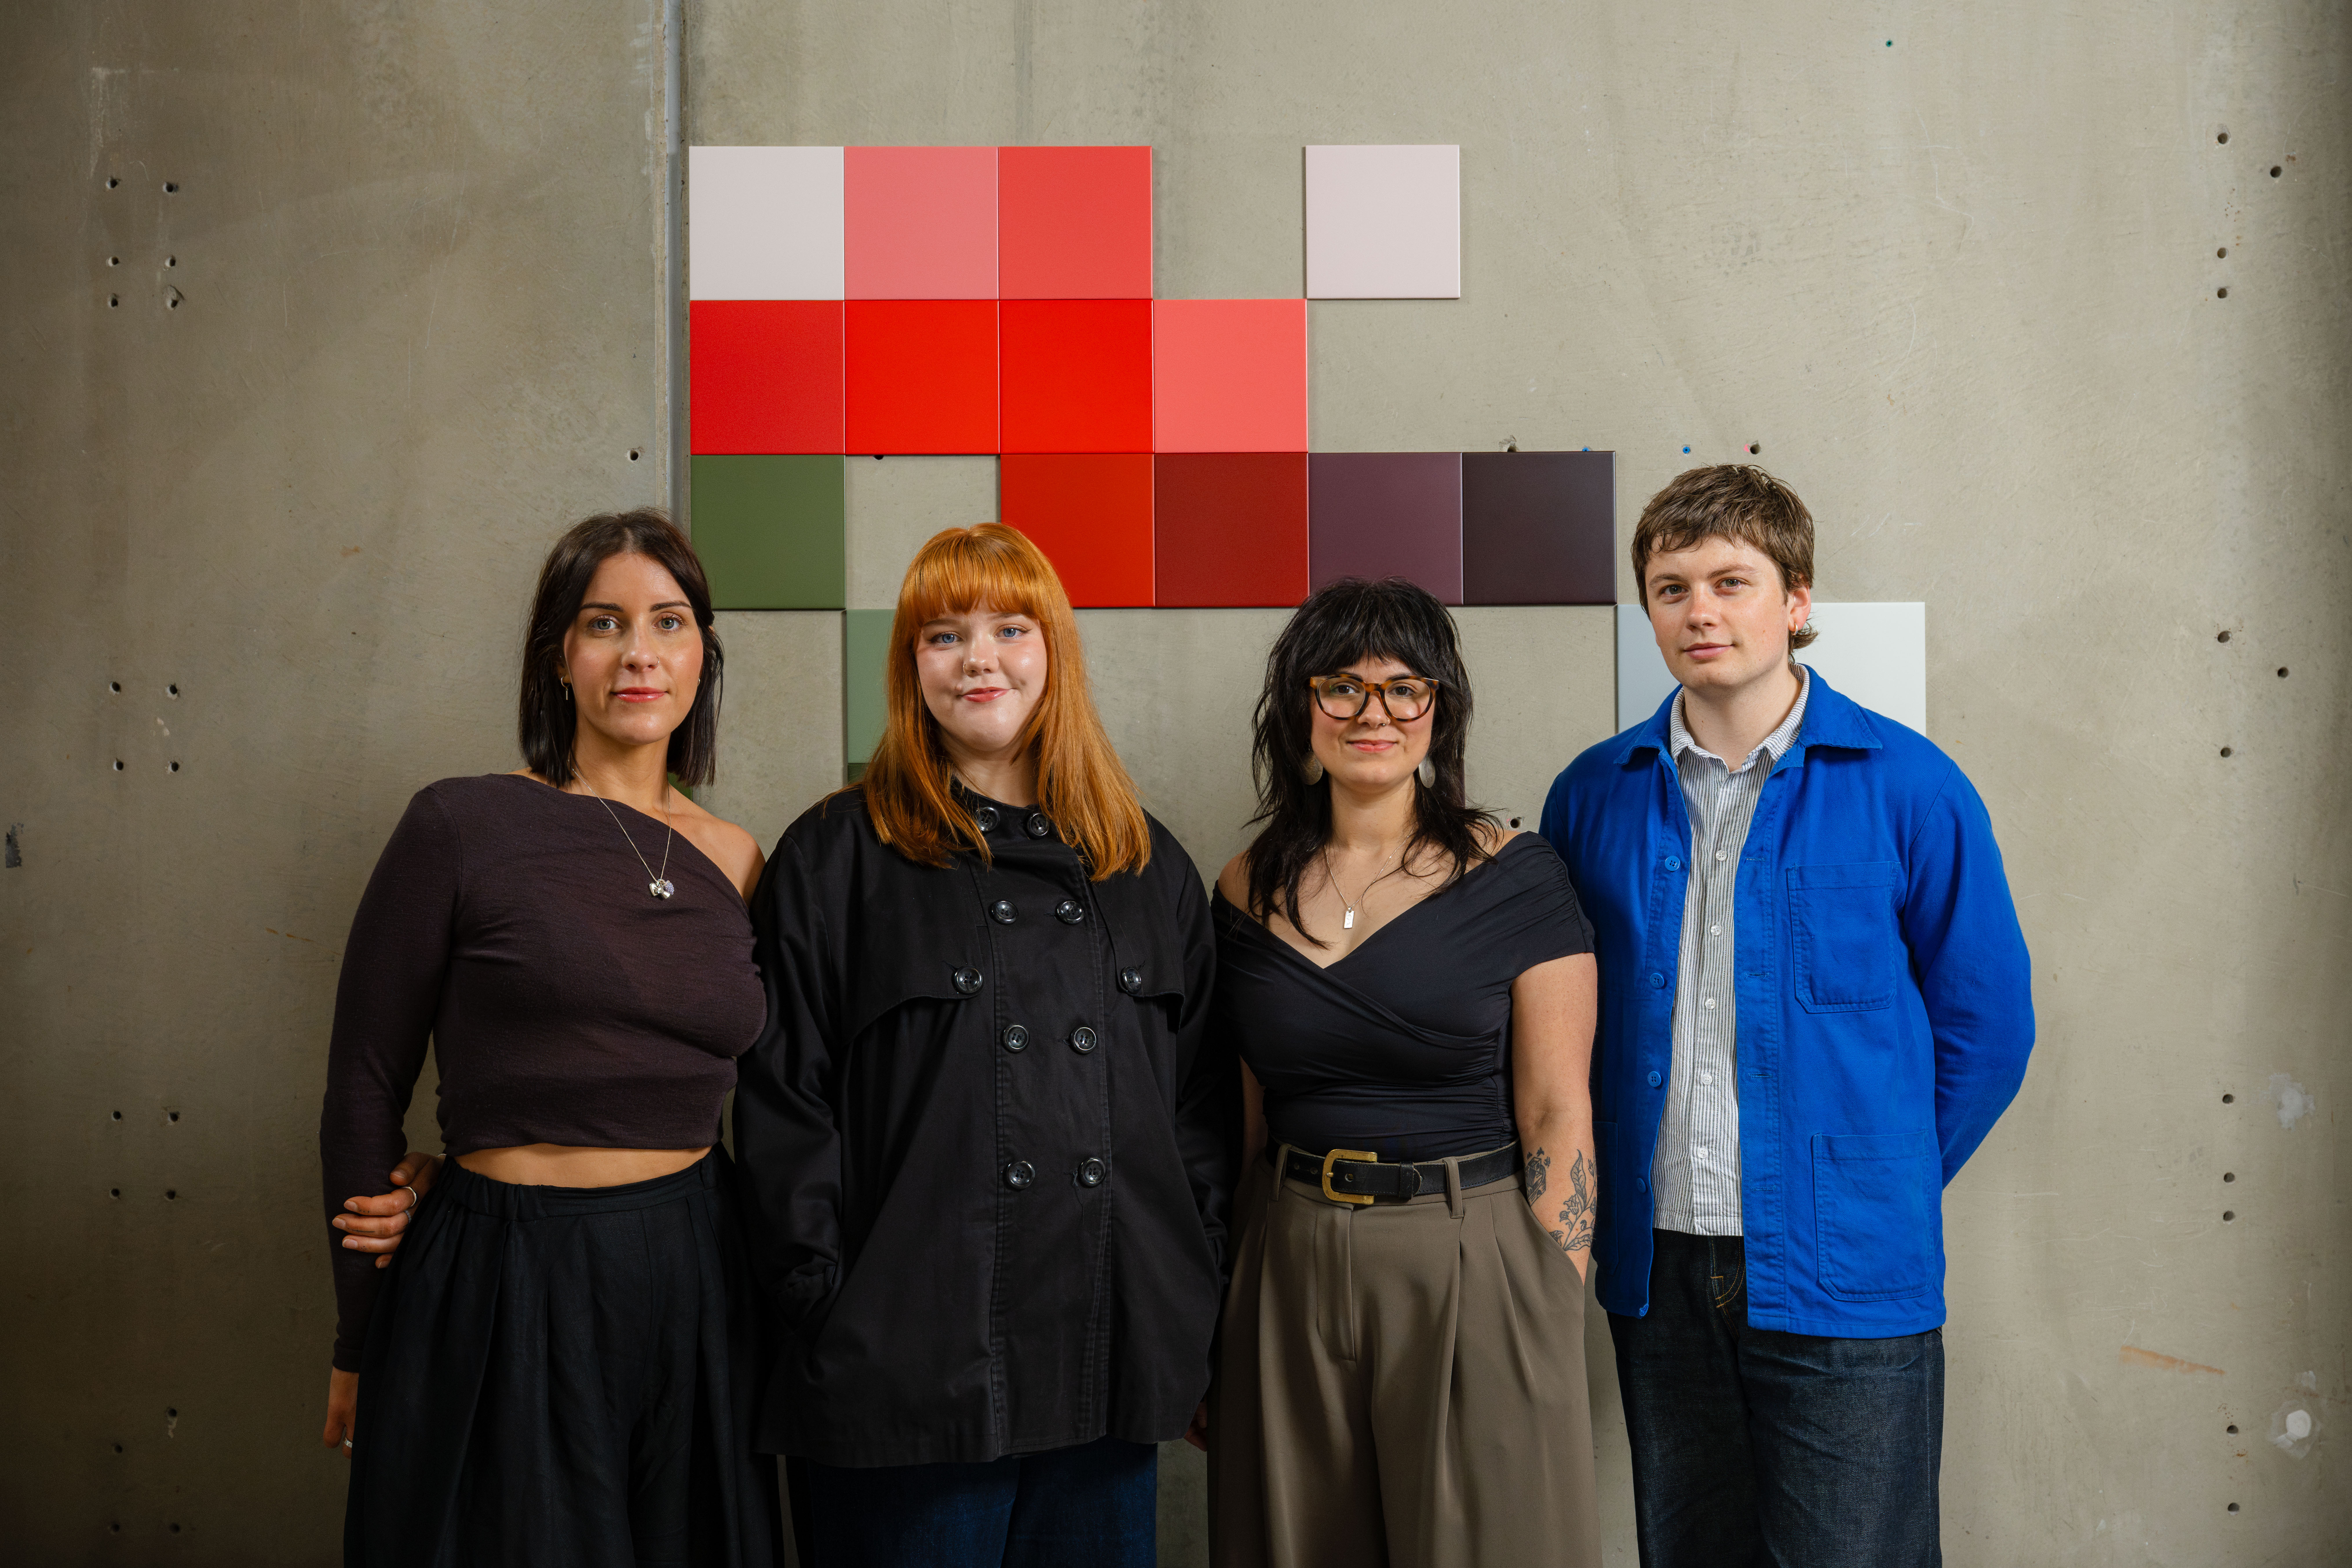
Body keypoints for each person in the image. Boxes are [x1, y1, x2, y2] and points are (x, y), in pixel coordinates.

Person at [1540, 466, 2035, 1568]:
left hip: (1848, 1268)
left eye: (1730, 582)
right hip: (1657, 1266)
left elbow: (1988, 1030)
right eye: (1670, 589)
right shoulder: (1591, 794)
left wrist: (1870, 1178)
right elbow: (1560, 1030)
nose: (1699, 612)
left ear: (1797, 602)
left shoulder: (1910, 785)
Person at [733, 523, 1232, 1567]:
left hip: (1106, 1368)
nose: (980, 659)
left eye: (1011, 628)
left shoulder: (1148, 865)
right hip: (904, 1379)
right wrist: (827, 1304)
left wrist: (1190, 1290)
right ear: (911, 665)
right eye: (944, 635)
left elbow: (1200, 1114)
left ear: (1055, 652)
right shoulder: (835, 857)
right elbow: (786, 1109)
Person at [317, 508, 780, 1567]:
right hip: (504, 1275)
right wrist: (357, 1338)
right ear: (559, 658)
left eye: (668, 622)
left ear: (703, 653)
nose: (640, 654)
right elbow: (361, 1086)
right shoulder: (461, 826)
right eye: (604, 624)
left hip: (697, 1274)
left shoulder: (744, 860)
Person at [1207, 577, 1603, 1568]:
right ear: (1302, 707)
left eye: (1402, 688)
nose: (1371, 713)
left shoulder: (1517, 874)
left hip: (1473, 1257)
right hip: (1286, 1263)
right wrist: (1223, 1299)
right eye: (1340, 686)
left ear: (1442, 708)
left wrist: (1552, 1304)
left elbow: (1559, 1108)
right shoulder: (1243, 886)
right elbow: (1241, 1119)